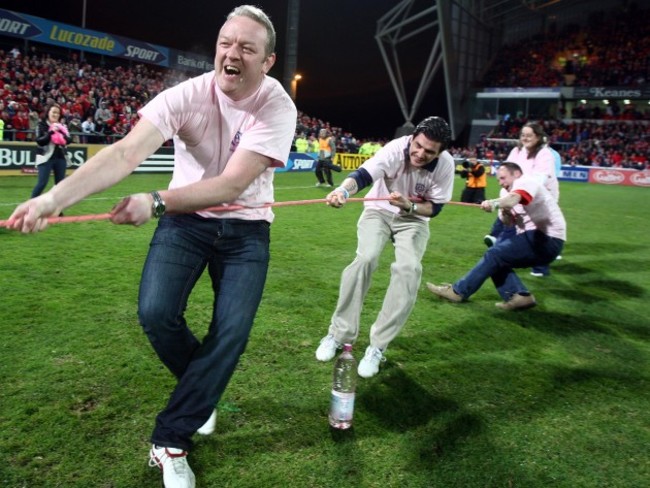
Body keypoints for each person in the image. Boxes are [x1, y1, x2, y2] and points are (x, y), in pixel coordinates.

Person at [6, 5, 296, 488]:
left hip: (246, 230)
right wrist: (52, 200)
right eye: (226, 42)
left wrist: (156, 199)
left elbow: (231, 185)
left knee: (231, 332)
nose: (232, 53)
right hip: (185, 222)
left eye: (247, 47)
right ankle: (200, 397)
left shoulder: (277, 104)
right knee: (156, 313)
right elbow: (123, 153)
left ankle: (170, 441)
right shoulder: (184, 96)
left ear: (267, 62)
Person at [315, 116, 454, 378]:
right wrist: (344, 192)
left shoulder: (445, 166)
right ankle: (338, 334)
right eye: (419, 146)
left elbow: (434, 208)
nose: (421, 153)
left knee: (409, 269)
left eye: (429, 151)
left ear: (440, 152)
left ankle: (378, 346)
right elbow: (362, 175)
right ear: (413, 138)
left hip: (413, 219)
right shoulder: (395, 148)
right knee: (365, 259)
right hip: (378, 211)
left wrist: (409, 206)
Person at [427, 162, 565, 310]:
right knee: (496, 258)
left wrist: (494, 203)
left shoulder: (525, 182)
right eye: (498, 179)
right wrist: (505, 212)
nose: (501, 182)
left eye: (503, 178)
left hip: (546, 237)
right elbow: (508, 223)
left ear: (516, 174)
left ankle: (457, 292)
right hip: (534, 239)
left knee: (495, 254)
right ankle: (519, 296)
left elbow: (513, 199)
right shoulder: (504, 193)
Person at [483, 122, 559, 277]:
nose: (525, 138)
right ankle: (499, 252)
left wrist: (517, 193)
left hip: (538, 199)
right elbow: (507, 170)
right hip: (518, 196)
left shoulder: (545, 155)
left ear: (538, 137)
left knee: (535, 234)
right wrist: (507, 193)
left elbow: (540, 180)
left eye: (529, 135)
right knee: (512, 229)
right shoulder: (516, 151)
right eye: (523, 135)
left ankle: (539, 267)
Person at [31, 104, 71, 198]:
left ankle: (58, 210)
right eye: (53, 112)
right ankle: (29, 207)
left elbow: (69, 140)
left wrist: (61, 132)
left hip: (60, 157)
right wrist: (50, 133)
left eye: (57, 113)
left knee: (60, 185)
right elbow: (40, 141)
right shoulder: (41, 125)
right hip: (45, 157)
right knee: (42, 183)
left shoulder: (62, 126)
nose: (55, 114)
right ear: (48, 113)